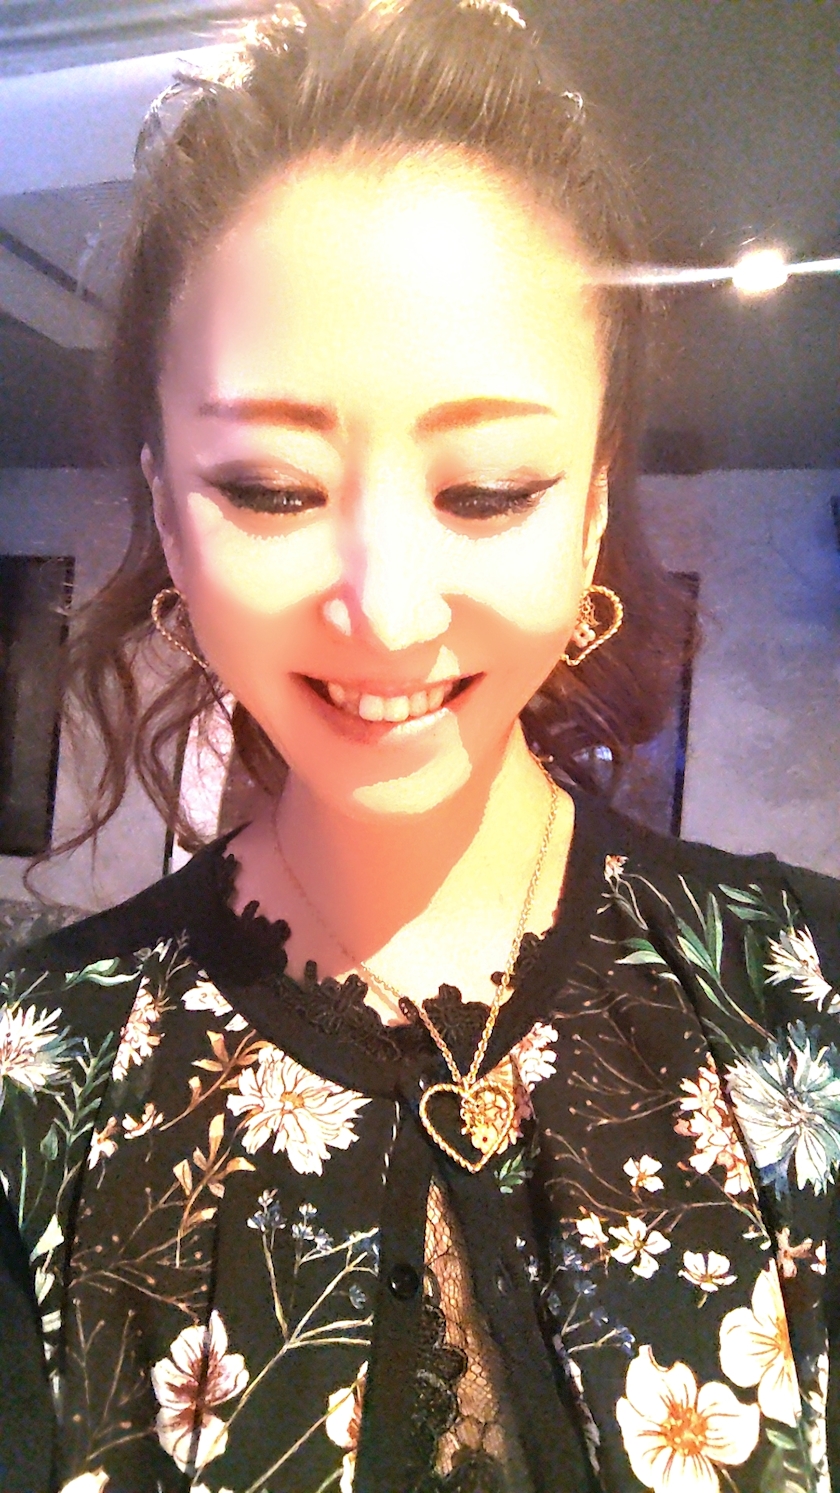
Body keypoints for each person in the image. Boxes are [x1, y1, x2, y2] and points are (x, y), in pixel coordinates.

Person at [0, 2, 838, 1489]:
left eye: (488, 489)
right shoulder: (34, 1085)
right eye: (271, 488)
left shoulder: (807, 1011)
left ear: (592, 502)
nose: (384, 611)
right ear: (169, 515)